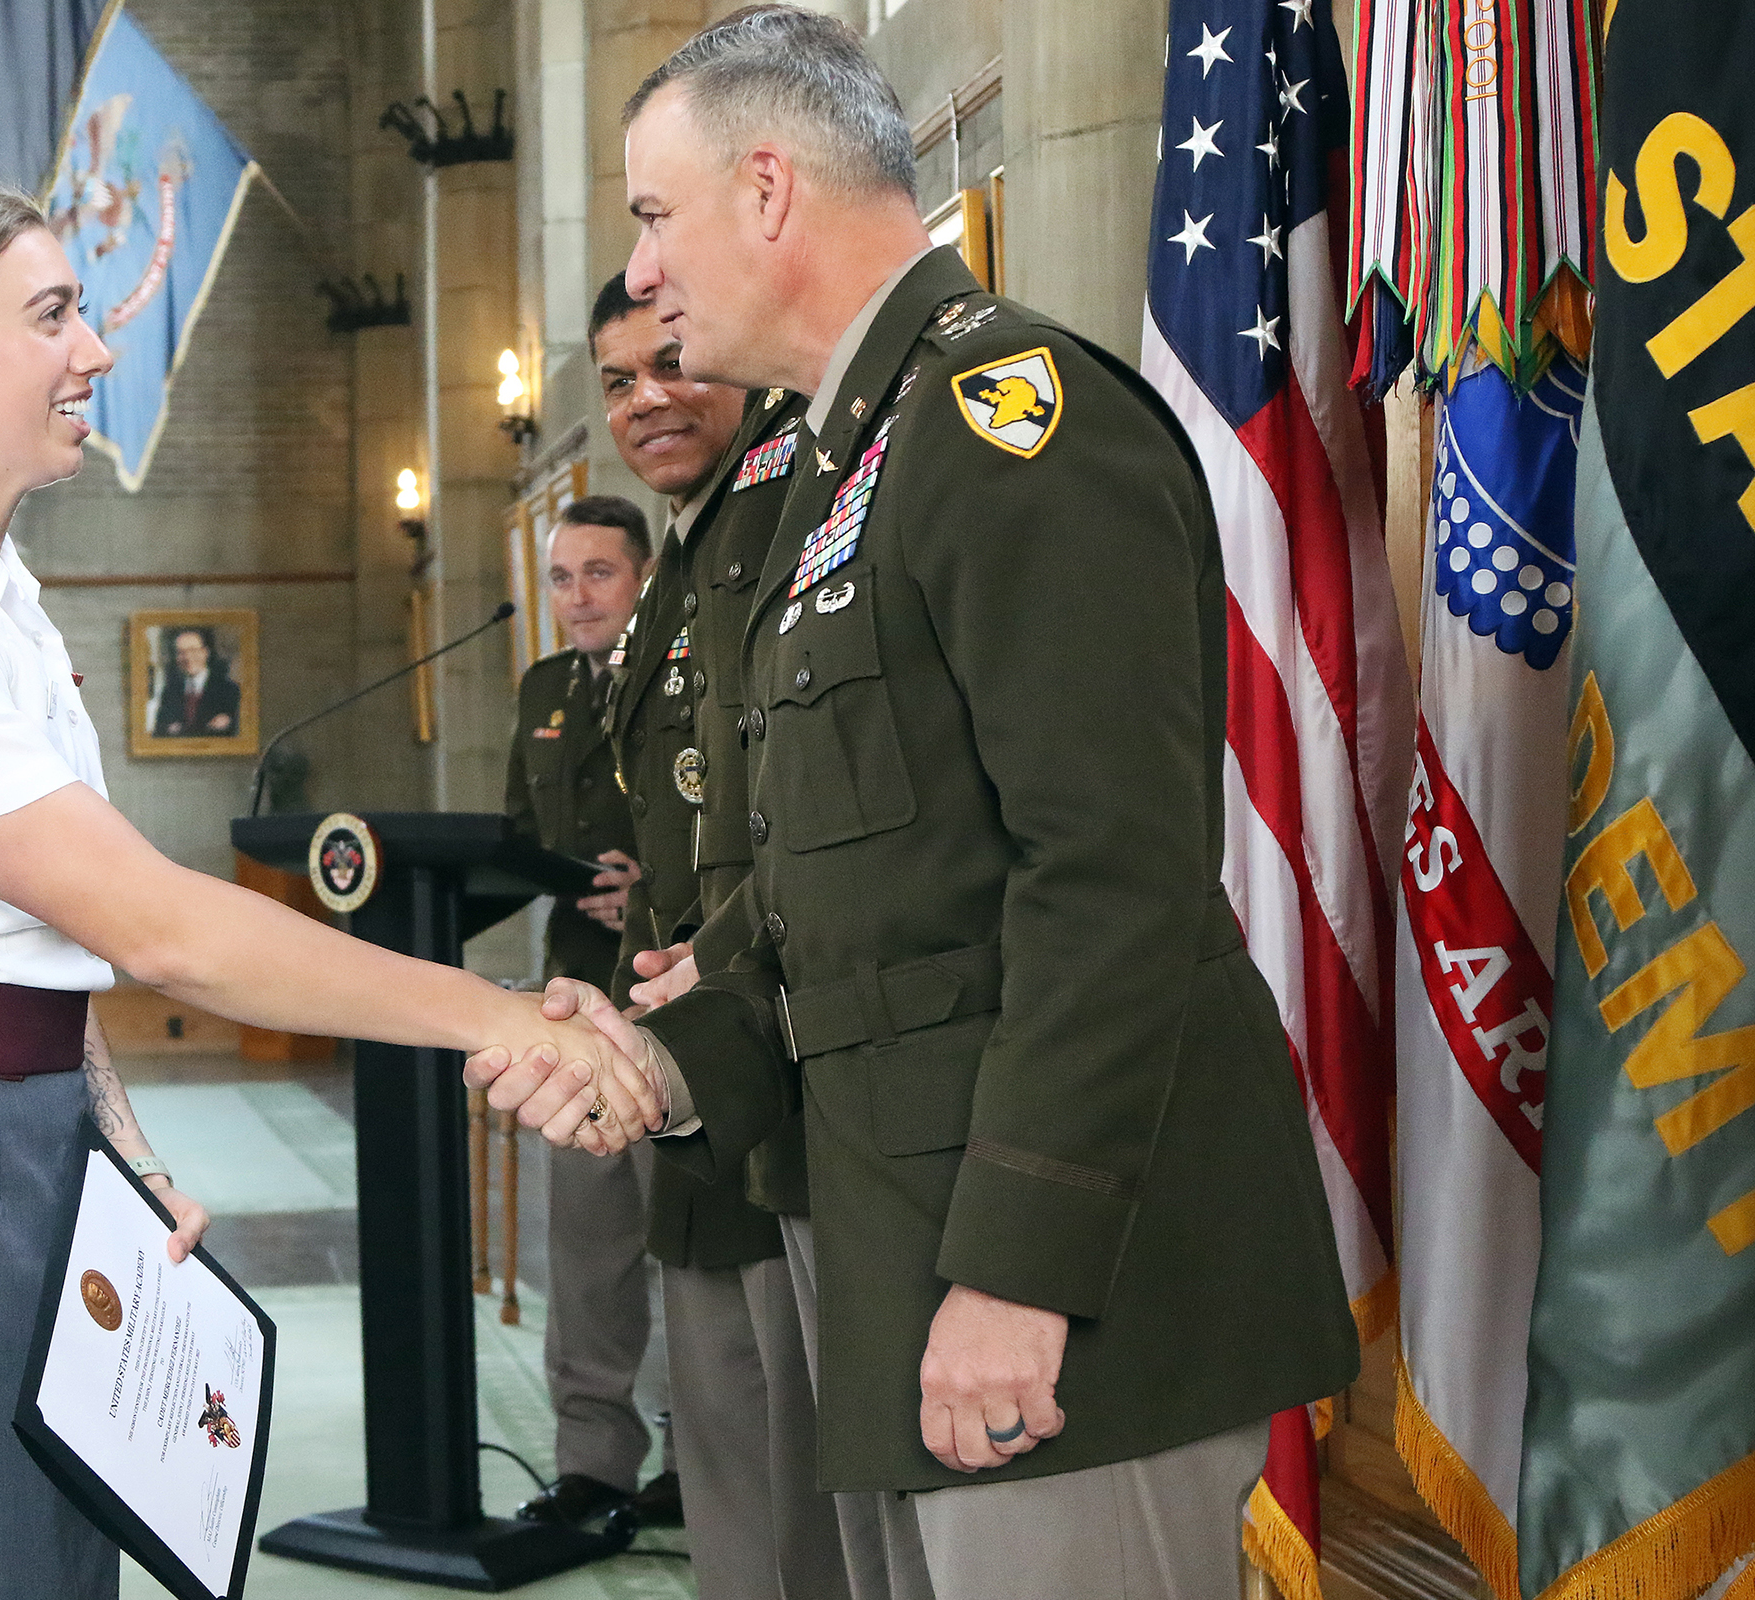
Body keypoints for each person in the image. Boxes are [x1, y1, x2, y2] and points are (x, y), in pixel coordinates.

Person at [473, 11, 1359, 1600]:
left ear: (765, 191)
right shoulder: (837, 472)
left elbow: (1109, 883)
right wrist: (667, 1061)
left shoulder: (1010, 424)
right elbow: (855, 908)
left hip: (1058, 1297)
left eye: (655, 217)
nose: (646, 270)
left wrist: (1019, 1274)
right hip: (896, 1255)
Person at [0, 183, 644, 1600]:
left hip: (5, 1142)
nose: (98, 352)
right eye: (55, 315)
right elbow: (157, 927)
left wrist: (116, 1143)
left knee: (22, 1563)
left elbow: (26, 946)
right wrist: (501, 1018)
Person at [591, 271, 870, 1600]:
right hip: (693, 1027)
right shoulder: (691, 556)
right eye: (613, 385)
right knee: (727, 1416)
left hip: (773, 1031)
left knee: (792, 1429)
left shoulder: (781, 518)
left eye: (667, 363)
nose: (645, 401)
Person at [501, 495, 680, 1530]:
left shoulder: (687, 665)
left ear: (644, 575)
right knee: (588, 1244)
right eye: (562, 577)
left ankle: (698, 1461)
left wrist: (647, 887)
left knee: (686, 1245)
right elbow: (520, 829)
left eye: (598, 573)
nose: (577, 597)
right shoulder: (544, 687)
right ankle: (596, 1458)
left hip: (672, 989)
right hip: (576, 993)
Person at [149, 625, 241, 738]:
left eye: (193, 650)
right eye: (181, 652)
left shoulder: (229, 690)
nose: (187, 657)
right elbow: (159, 733)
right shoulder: (169, 692)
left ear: (205, 652)